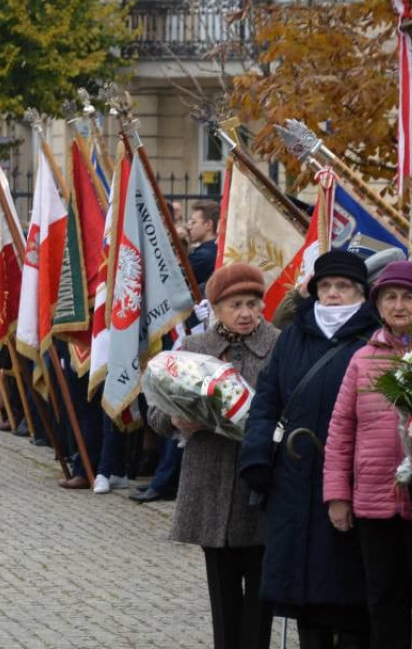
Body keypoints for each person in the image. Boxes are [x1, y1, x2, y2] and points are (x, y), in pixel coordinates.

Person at [323, 260, 412, 649]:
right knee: (383, 602)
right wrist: (337, 494)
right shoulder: (362, 358)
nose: (398, 305)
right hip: (373, 501)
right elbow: (340, 431)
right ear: (378, 305)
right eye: (389, 297)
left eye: (408, 297)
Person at [241, 250, 376, 648]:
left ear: (361, 293)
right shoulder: (293, 336)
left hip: (351, 480)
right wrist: (257, 456)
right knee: (303, 595)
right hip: (294, 478)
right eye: (326, 286)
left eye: (344, 287)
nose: (333, 295)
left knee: (350, 594)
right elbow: (266, 400)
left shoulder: (371, 337)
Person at [152, 263, 278, 649]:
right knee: (222, 591)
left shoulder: (278, 345)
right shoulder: (192, 348)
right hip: (210, 485)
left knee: (261, 589)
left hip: (260, 484)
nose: (245, 313)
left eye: (253, 304)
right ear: (215, 307)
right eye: (235, 305)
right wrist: (178, 419)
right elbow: (156, 413)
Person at [185, 200, 219, 290]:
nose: (189, 227)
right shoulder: (220, 249)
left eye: (194, 222)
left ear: (208, 224)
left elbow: (177, 282)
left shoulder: (201, 256)